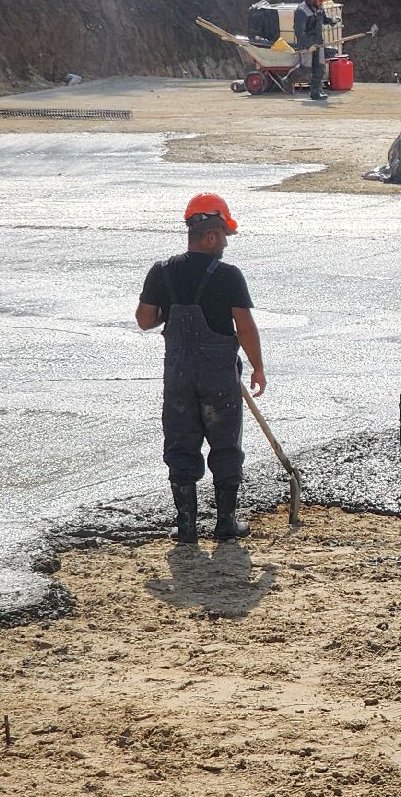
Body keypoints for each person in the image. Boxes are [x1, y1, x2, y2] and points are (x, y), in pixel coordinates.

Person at [136, 194, 267, 543]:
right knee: (225, 444)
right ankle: (226, 523)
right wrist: (257, 367)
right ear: (210, 235)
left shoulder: (162, 272)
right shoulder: (228, 275)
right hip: (218, 377)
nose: (225, 242)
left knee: (181, 443)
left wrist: (171, 308)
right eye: (223, 235)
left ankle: (186, 526)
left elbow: (145, 320)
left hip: (178, 376)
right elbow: (246, 326)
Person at [295, 0, 331, 101]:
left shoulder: (319, 6)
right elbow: (299, 32)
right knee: (306, 68)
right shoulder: (302, 11)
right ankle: (288, 79)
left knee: (320, 67)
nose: (321, 3)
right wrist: (308, 45)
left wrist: (331, 21)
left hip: (318, 42)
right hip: (307, 43)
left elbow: (323, 19)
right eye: (320, 0)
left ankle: (315, 92)